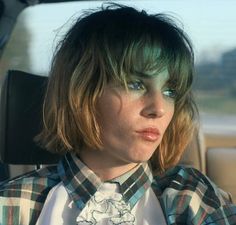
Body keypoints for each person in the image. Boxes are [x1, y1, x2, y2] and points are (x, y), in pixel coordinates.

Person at [0, 3, 236, 225]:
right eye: (135, 84)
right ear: (81, 90)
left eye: (169, 91)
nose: (159, 108)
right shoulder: (15, 203)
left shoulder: (192, 196)